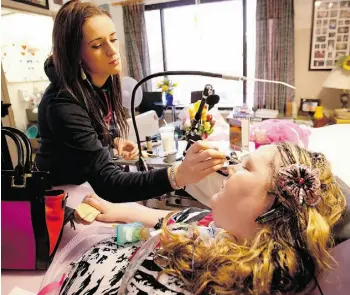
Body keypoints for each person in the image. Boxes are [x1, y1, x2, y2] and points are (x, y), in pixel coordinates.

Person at [61, 142, 346, 294]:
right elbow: (169, 218)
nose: (231, 168)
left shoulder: (213, 280)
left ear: (273, 207)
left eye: (246, 167)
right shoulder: (221, 227)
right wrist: (119, 211)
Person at [35, 0, 226, 202]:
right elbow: (109, 183)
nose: (112, 51)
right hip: (58, 194)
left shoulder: (100, 84)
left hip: (84, 183)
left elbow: (89, 129)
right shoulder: (62, 105)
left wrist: (112, 140)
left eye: (113, 39)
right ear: (75, 54)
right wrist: (177, 175)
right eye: (97, 45)